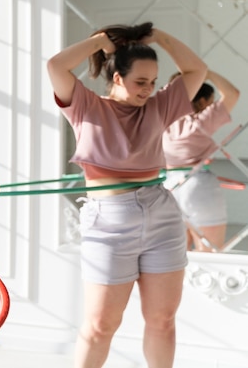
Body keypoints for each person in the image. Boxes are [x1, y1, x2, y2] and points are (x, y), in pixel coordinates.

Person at [46, 22, 207, 368]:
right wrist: (100, 41)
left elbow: (197, 70)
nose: (149, 90)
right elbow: (56, 66)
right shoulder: (85, 107)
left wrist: (160, 37)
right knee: (101, 325)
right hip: (108, 219)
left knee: (162, 320)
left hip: (161, 215)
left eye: (153, 81)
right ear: (117, 77)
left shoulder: (160, 106)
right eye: (140, 82)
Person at [163, 70, 240, 252]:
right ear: (203, 101)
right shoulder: (200, 122)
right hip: (198, 185)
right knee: (209, 253)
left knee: (175, 255)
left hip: (168, 187)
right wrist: (206, 72)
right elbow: (232, 94)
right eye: (211, 102)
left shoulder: (163, 119)